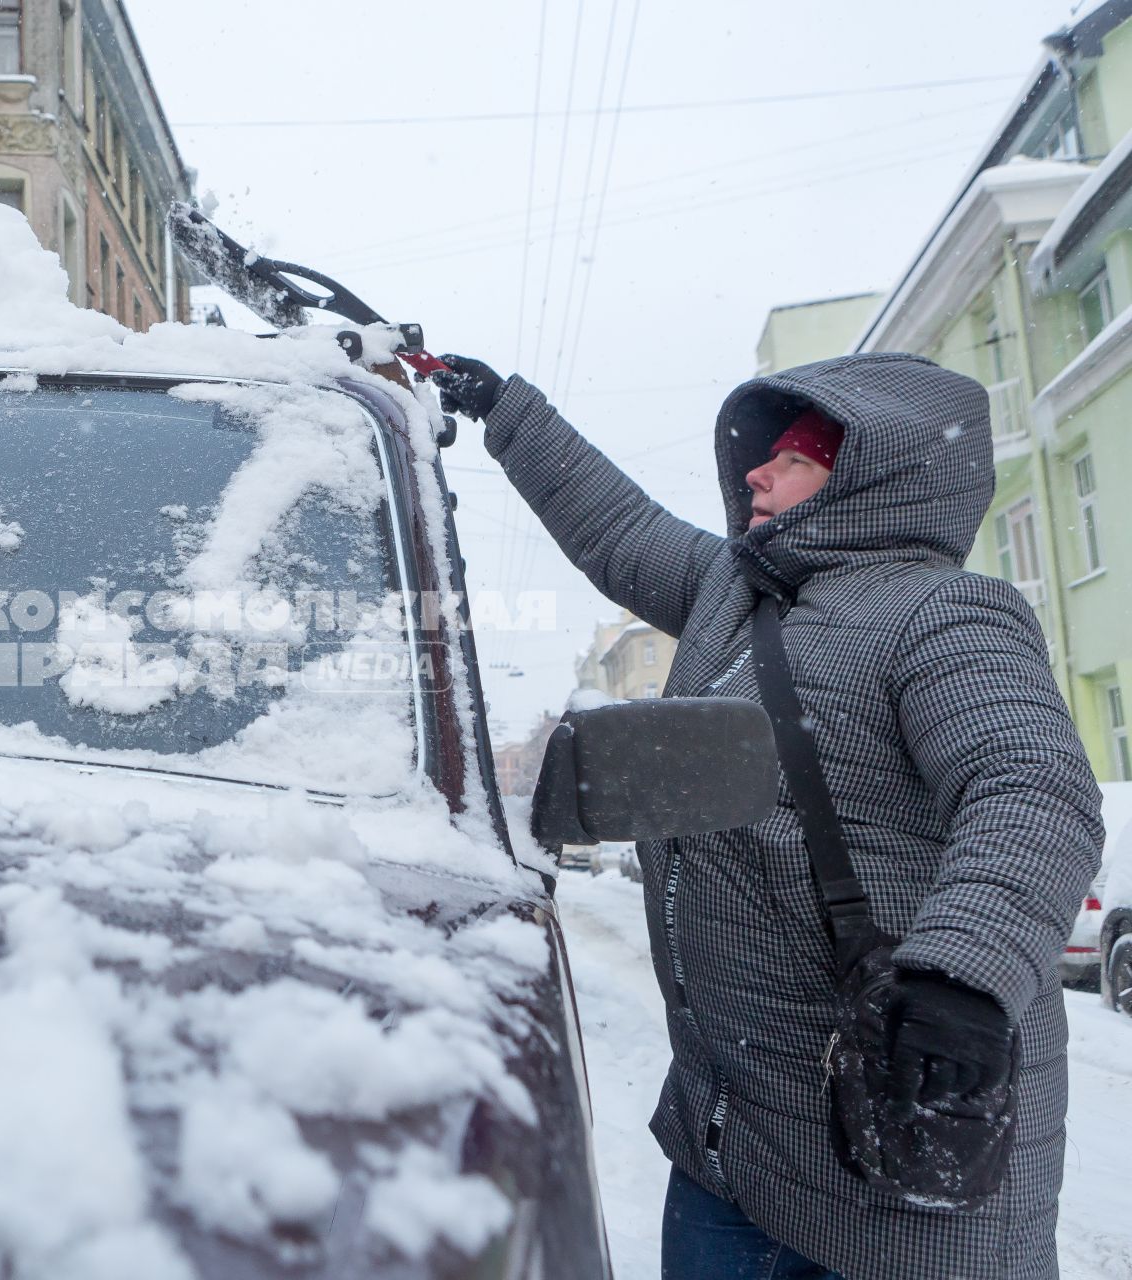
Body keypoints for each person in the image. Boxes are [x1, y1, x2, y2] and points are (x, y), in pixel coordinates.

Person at [431, 353, 1103, 1280]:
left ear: (872, 477)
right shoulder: (731, 598)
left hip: (889, 1155)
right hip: (728, 1144)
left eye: (791, 459)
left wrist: (962, 980)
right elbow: (619, 528)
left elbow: (1031, 788)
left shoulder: (946, 613)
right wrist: (507, 410)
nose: (755, 471)